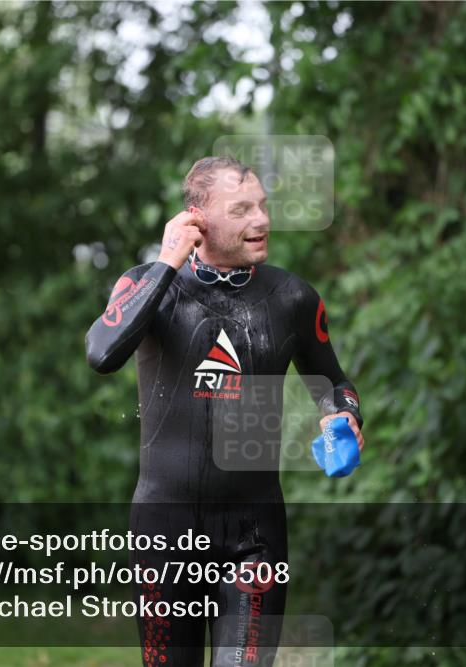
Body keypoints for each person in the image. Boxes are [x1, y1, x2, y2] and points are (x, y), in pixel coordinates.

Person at [85, 156, 365, 666]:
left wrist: (341, 415)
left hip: (254, 536)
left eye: (262, 206)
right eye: (241, 209)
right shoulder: (151, 287)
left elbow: (334, 384)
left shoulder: (292, 298)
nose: (261, 220)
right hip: (163, 536)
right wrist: (167, 262)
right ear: (198, 218)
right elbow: (103, 353)